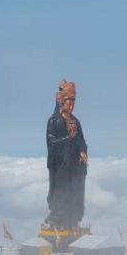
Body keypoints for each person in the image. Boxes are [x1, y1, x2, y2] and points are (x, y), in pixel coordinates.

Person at [45, 79, 88, 229]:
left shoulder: (76, 122)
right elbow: (51, 142)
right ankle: (57, 219)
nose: (71, 107)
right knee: (61, 193)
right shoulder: (54, 121)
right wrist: (67, 139)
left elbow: (82, 140)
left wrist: (82, 151)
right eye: (68, 104)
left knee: (74, 192)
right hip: (60, 165)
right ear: (61, 103)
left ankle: (73, 218)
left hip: (74, 166)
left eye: (73, 104)